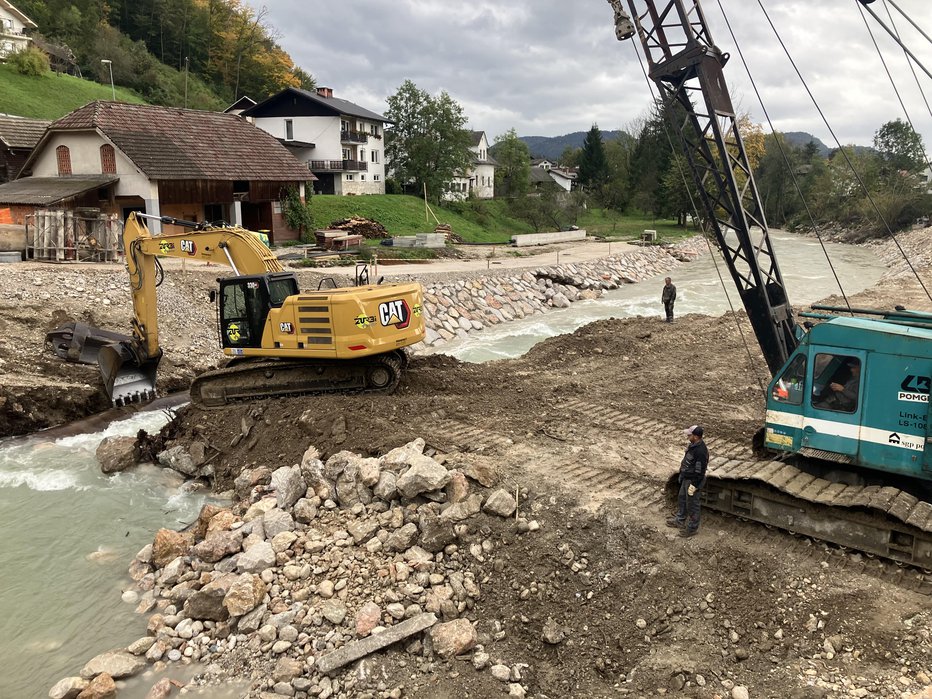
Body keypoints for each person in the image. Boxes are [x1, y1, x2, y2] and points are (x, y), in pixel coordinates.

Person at [667, 424, 709, 538]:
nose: (687, 436)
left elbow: (700, 472)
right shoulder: (693, 445)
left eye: (689, 435)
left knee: (692, 505)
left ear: (695, 436)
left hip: (693, 481)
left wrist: (694, 485)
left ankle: (692, 528)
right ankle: (680, 520)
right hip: (686, 478)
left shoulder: (700, 451)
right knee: (682, 499)